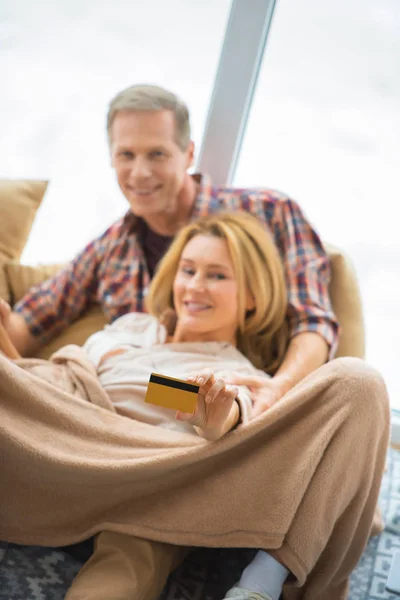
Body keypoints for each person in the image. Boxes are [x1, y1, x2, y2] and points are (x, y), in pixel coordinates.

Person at [0, 212, 390, 600]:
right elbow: (47, 391)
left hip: (148, 478)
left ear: (253, 296)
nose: (195, 287)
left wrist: (213, 414)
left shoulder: (237, 371)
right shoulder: (133, 325)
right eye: (188, 270)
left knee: (136, 550)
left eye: (217, 275)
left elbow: (227, 418)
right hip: (57, 445)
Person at [0, 83, 338, 420]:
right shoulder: (116, 267)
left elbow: (313, 322)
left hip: (220, 412)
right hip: (106, 408)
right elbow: (31, 324)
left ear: (188, 154)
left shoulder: (269, 213)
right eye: (126, 155)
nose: (140, 173)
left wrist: (277, 388)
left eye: (157, 154)